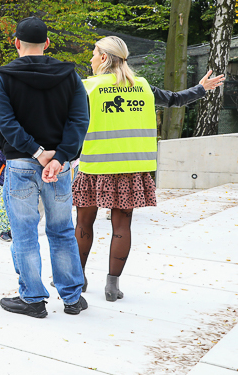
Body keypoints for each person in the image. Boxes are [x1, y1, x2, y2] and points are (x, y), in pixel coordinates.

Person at [74, 36, 225, 302]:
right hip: (132, 168)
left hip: (96, 166)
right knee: (122, 225)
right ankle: (112, 285)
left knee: (84, 222)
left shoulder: (88, 88)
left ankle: (78, 280)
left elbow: (71, 124)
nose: (91, 58)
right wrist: (201, 89)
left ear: (105, 58)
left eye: (94, 52)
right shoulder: (142, 87)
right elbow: (175, 99)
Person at [0, 16, 90, 318]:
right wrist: (59, 157)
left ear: (16, 43)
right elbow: (79, 120)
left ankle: (33, 298)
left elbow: (7, 124)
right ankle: (72, 298)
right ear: (47, 44)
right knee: (61, 230)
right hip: (60, 167)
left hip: (21, 164)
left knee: (24, 232)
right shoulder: (70, 76)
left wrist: (37, 152)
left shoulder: (4, 77)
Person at [0, 141, 12, 242]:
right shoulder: (3, 144)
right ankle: (4, 230)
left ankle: (10, 229)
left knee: (12, 204)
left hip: (13, 178)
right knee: (4, 204)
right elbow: (6, 160)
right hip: (4, 178)